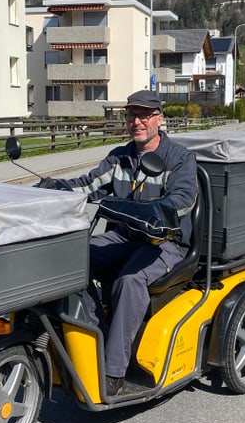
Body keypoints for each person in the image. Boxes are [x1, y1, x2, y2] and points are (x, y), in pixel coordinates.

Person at [55, 90, 197, 396]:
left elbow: (184, 199)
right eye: (131, 115)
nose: (137, 122)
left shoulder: (180, 158)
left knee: (129, 280)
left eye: (144, 115)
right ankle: (97, 331)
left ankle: (114, 372)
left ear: (159, 118)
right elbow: (89, 185)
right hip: (124, 236)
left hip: (164, 242)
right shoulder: (119, 157)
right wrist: (56, 189)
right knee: (71, 261)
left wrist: (158, 212)